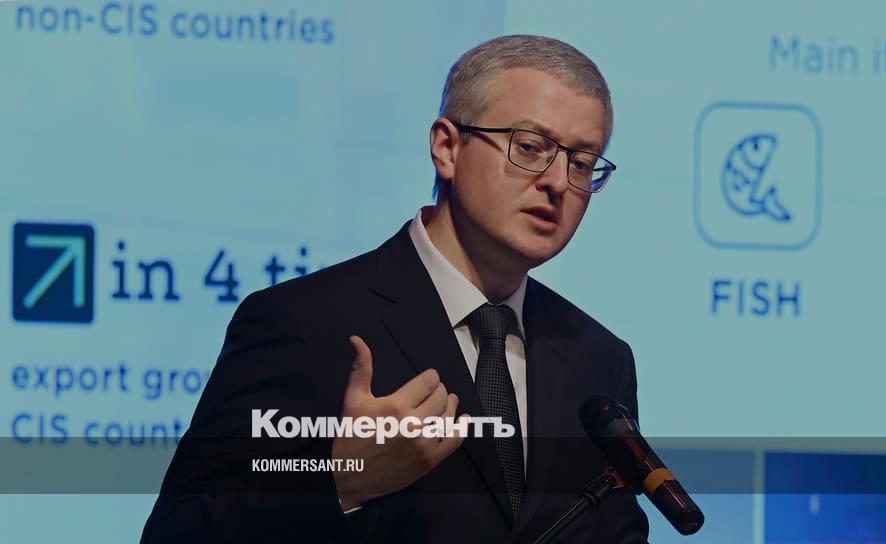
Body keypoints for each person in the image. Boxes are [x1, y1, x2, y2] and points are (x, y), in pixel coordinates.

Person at [142, 34, 649, 543]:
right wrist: (342, 483)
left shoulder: (597, 359)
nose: (558, 182)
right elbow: (179, 532)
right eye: (530, 148)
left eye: (582, 163)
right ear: (447, 148)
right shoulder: (304, 324)